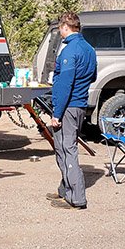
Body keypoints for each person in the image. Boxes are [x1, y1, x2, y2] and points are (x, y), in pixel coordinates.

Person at [47, 12, 97, 210]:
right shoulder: (89, 49)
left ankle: (76, 198)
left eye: (60, 28)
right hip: (80, 104)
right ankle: (65, 188)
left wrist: (57, 114)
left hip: (68, 106)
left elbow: (65, 85)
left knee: (67, 150)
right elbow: (93, 76)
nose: (60, 32)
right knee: (64, 148)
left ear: (65, 27)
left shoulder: (69, 50)